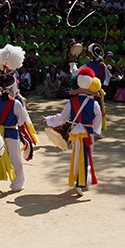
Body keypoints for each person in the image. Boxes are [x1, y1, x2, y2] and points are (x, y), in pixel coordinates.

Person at [43, 67, 103, 196]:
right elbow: (98, 121)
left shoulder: (72, 101)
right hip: (88, 132)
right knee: (86, 156)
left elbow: (62, 117)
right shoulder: (94, 104)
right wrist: (96, 131)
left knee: (76, 156)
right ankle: (81, 182)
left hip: (75, 133)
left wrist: (48, 119)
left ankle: (78, 179)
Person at [0, 74, 32, 193]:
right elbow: (22, 120)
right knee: (15, 158)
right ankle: (17, 183)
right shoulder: (16, 103)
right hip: (12, 132)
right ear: (12, 88)